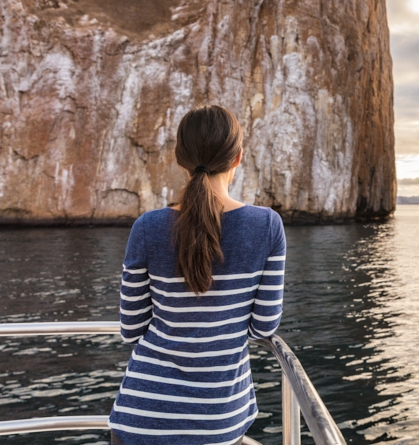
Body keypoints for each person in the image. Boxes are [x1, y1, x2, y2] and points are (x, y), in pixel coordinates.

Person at [108, 105, 286, 445]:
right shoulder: (267, 226)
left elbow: (131, 328)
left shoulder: (147, 227)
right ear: (237, 158)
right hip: (216, 422)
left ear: (180, 159)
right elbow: (263, 327)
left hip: (140, 419)